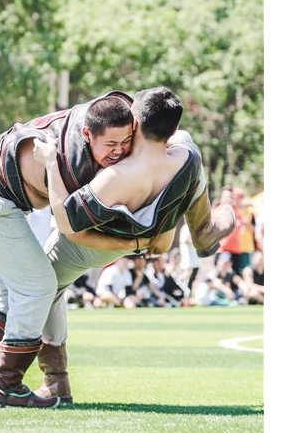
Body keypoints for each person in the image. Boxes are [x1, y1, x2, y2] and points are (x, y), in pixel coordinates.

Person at [0, 92, 142, 409]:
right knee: (38, 285)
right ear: (87, 134)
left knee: (17, 288)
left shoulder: (106, 115)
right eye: (111, 144)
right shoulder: (73, 162)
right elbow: (68, 224)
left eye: (125, 141)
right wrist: (133, 243)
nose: (120, 150)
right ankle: (6, 385)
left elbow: (120, 103)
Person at [31, 86, 235, 402]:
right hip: (143, 241)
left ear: (135, 123)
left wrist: (50, 162)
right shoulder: (185, 156)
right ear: (172, 130)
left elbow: (67, 221)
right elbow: (182, 147)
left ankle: (50, 379)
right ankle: (204, 230)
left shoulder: (117, 175)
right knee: (192, 151)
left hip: (91, 242)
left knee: (37, 288)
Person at [218, 187, 261, 274]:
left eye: (241, 197)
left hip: (239, 248)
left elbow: (253, 228)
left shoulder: (245, 211)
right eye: (236, 197)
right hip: (224, 248)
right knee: (223, 272)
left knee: (239, 272)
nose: (238, 199)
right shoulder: (226, 209)